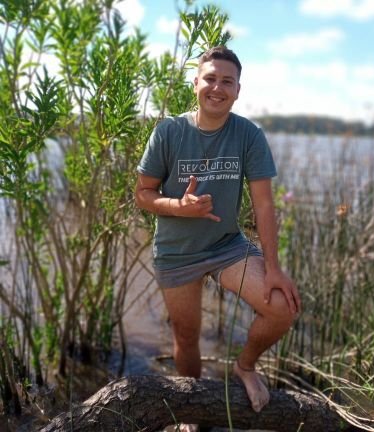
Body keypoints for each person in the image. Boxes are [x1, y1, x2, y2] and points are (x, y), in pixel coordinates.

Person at [135, 46, 301, 431]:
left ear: (238, 90)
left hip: (227, 246)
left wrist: (273, 268)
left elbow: (264, 205)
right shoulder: (169, 132)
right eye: (210, 78)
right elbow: (142, 193)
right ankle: (193, 408)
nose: (217, 87)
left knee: (281, 307)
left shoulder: (248, 135)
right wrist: (180, 206)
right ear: (196, 84)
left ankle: (244, 366)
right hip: (177, 253)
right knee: (187, 336)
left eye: (227, 81)